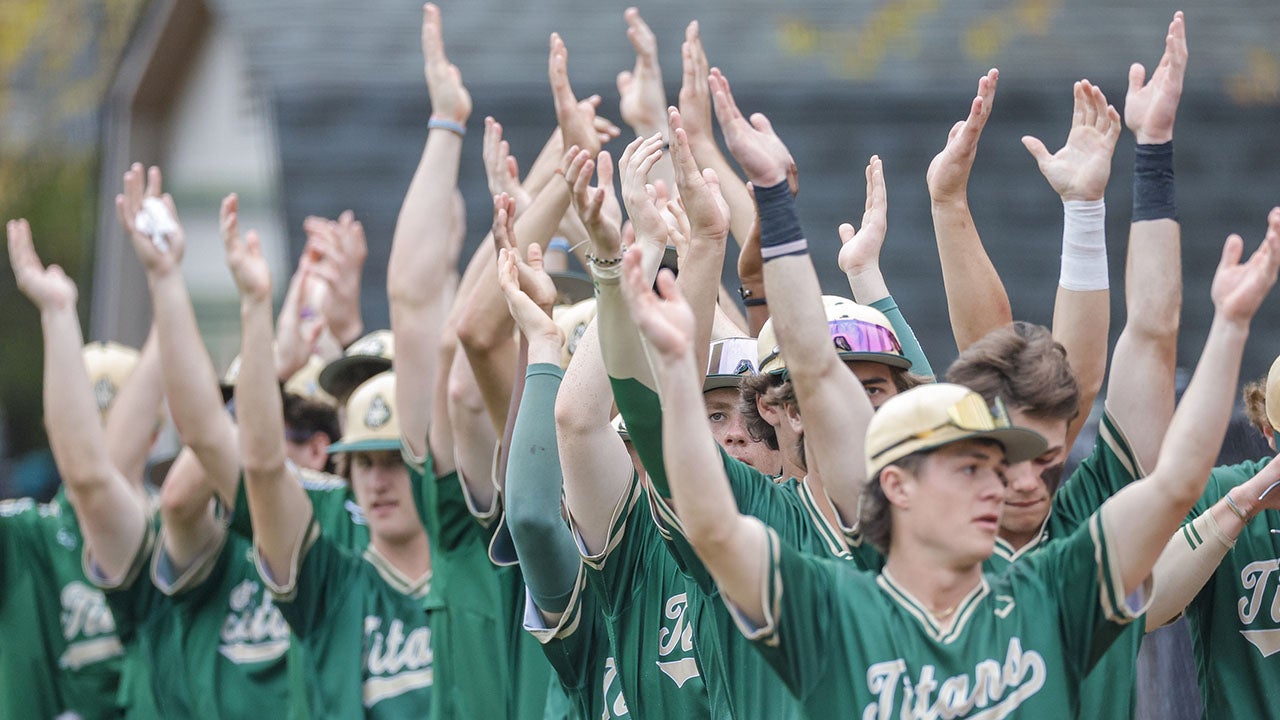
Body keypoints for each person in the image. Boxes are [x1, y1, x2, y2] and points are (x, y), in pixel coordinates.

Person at [618, 173, 1279, 718]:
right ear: (895, 484)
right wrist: (681, 367)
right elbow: (804, 386)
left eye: (1001, 463)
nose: (1002, 483)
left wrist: (1229, 326)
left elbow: (1175, 479)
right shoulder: (835, 608)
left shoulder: (1047, 590)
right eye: (969, 467)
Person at [5, 218, 161, 719]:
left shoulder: (185, 531)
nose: (86, 445)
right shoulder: (26, 536)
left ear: (154, 431)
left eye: (106, 424)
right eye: (78, 425)